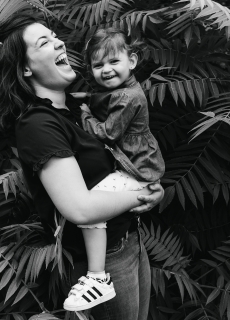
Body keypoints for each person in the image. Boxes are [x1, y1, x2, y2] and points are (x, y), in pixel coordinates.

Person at [0, 14, 164, 320]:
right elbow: (80, 209)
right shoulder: (38, 125)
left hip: (130, 241)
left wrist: (149, 186)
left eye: (55, 35)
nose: (59, 41)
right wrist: (145, 193)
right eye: (44, 42)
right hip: (103, 262)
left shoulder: (72, 106)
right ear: (25, 68)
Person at [62, 28, 165, 311]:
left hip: (137, 171)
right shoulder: (122, 91)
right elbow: (101, 99)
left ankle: (97, 277)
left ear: (132, 61)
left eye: (113, 62)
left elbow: (107, 132)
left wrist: (83, 114)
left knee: (89, 208)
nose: (106, 70)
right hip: (139, 169)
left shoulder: (128, 98)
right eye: (98, 65)